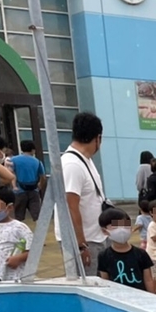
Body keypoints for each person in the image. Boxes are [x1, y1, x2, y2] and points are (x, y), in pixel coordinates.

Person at [60, 112, 109, 278]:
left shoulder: (85, 160)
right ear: (98, 138)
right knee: (88, 285)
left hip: (96, 237)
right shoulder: (71, 164)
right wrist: (81, 245)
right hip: (85, 241)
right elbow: (70, 205)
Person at [96, 207, 155, 293]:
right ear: (104, 231)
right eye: (115, 226)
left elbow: (149, 280)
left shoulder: (141, 254)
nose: (121, 229)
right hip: (117, 300)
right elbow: (105, 281)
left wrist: (153, 299)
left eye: (125, 225)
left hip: (141, 299)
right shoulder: (103, 256)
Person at [0, 185, 31, 280]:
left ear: (9, 207)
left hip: (10, 278)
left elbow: (33, 251)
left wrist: (19, 258)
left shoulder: (20, 228)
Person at [10, 139, 44, 222]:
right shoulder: (38, 162)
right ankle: (39, 234)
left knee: (18, 217)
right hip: (33, 190)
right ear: (33, 150)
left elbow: (11, 174)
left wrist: (14, 186)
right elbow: (43, 177)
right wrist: (40, 185)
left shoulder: (13, 160)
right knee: (37, 216)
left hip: (19, 191)